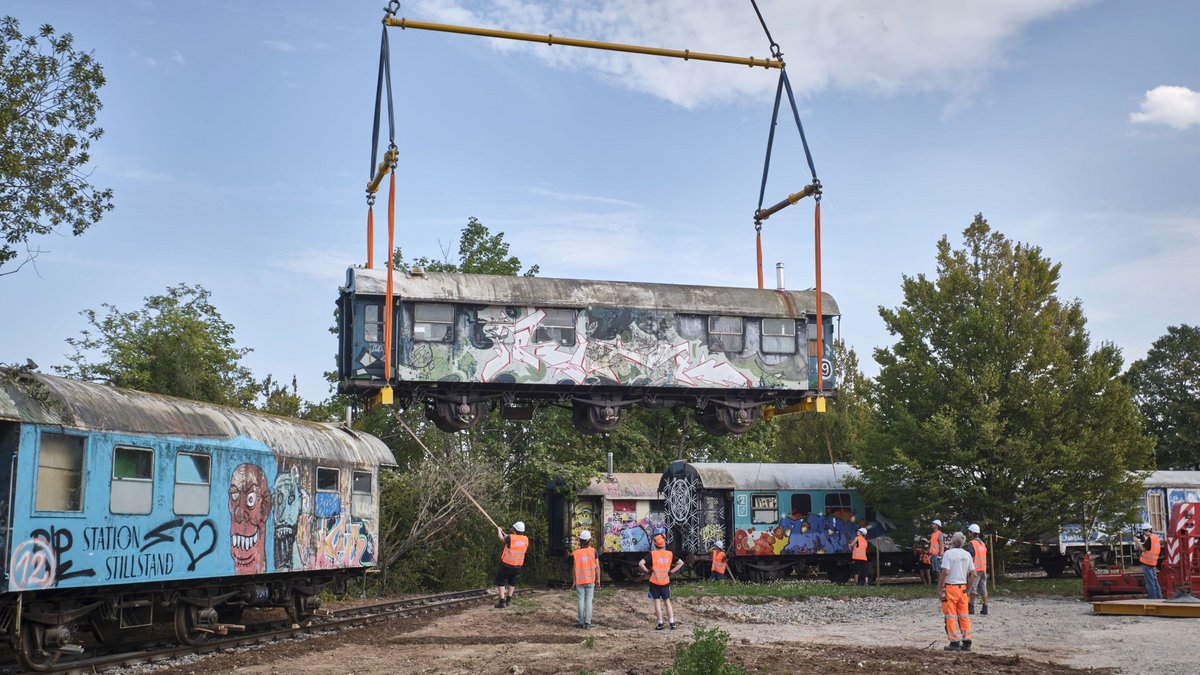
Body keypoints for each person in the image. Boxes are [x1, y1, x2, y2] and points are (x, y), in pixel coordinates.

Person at [938, 531, 976, 652]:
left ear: (953, 541)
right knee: (964, 615)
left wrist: (940, 587)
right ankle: (967, 641)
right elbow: (974, 575)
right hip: (963, 588)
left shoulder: (948, 554)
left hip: (950, 588)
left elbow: (945, 572)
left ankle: (954, 642)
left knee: (950, 615)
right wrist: (968, 589)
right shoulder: (967, 555)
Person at [638, 533, 684, 630]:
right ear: (663, 544)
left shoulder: (652, 554)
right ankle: (672, 622)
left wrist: (646, 571)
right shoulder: (669, 554)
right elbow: (681, 563)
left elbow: (641, 563)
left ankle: (660, 623)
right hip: (665, 581)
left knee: (657, 602)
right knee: (667, 602)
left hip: (654, 582)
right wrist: (672, 571)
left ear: (655, 544)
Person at [495, 521, 528, 608]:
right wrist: (507, 536)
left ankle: (502, 602)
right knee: (512, 582)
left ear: (514, 530)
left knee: (501, 581)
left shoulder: (511, 538)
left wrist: (499, 530)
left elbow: (502, 539)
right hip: (518, 566)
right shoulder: (525, 539)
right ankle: (508, 600)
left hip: (507, 564)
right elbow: (514, 541)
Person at [571, 529, 600, 628]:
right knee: (588, 601)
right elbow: (597, 567)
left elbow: (574, 568)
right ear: (589, 540)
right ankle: (588, 623)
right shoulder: (594, 551)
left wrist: (574, 581)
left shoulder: (576, 553)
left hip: (579, 581)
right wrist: (598, 579)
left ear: (580, 540)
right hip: (590, 580)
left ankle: (580, 622)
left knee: (580, 600)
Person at [966, 524, 989, 615]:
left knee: (972, 589)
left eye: (969, 532)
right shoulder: (982, 544)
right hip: (983, 569)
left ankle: (971, 608)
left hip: (975, 570)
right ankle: (985, 607)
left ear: (971, 533)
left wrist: (968, 570)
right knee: (983, 589)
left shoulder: (972, 544)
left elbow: (970, 557)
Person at [1136, 523, 1162, 600]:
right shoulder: (1156, 538)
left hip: (1147, 563)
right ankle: (1159, 598)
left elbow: (1143, 549)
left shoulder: (1150, 539)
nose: (1143, 533)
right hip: (1152, 563)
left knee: (1150, 583)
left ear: (1147, 530)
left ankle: (1153, 599)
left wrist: (1137, 542)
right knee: (1155, 582)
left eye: (1144, 531)